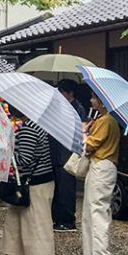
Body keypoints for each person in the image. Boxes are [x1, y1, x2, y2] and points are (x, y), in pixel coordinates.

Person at [0, 107, 58, 255]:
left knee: (39, 230)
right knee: (14, 227)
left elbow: (23, 160)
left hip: (35, 187)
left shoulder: (29, 129)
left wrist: (6, 149)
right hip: (35, 185)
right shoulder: (35, 125)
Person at [80, 92, 121, 255]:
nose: (91, 101)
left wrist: (83, 133)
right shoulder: (107, 120)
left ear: (102, 102)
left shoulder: (105, 121)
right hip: (104, 166)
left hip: (101, 166)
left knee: (96, 209)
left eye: (94, 98)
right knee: (94, 208)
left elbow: (90, 145)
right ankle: (92, 253)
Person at [51, 80, 87, 232]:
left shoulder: (78, 109)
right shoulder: (60, 107)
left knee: (67, 189)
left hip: (68, 151)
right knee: (57, 189)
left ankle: (68, 220)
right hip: (57, 151)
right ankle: (58, 219)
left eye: (62, 91)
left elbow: (79, 131)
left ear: (69, 93)